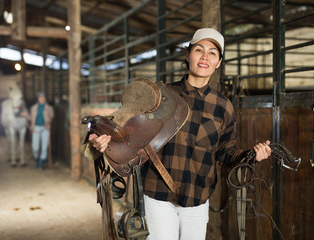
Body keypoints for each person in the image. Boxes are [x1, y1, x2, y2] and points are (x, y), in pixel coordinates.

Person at [88, 28, 271, 240]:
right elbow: (124, 130)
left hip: (197, 198)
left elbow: (225, 151)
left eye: (212, 53)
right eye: (199, 50)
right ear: (187, 54)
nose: (205, 57)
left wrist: (251, 155)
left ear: (219, 62)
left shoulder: (223, 107)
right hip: (158, 196)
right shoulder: (160, 95)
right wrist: (103, 141)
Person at [28, 91, 54, 170]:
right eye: (40, 97)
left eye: (43, 97)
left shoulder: (49, 108)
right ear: (38, 98)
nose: (42, 99)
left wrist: (49, 119)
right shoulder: (33, 108)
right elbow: (31, 119)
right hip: (36, 128)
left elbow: (52, 116)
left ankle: (41, 164)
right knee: (35, 147)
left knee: (44, 147)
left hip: (45, 128)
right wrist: (26, 116)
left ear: (45, 98)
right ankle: (36, 159)